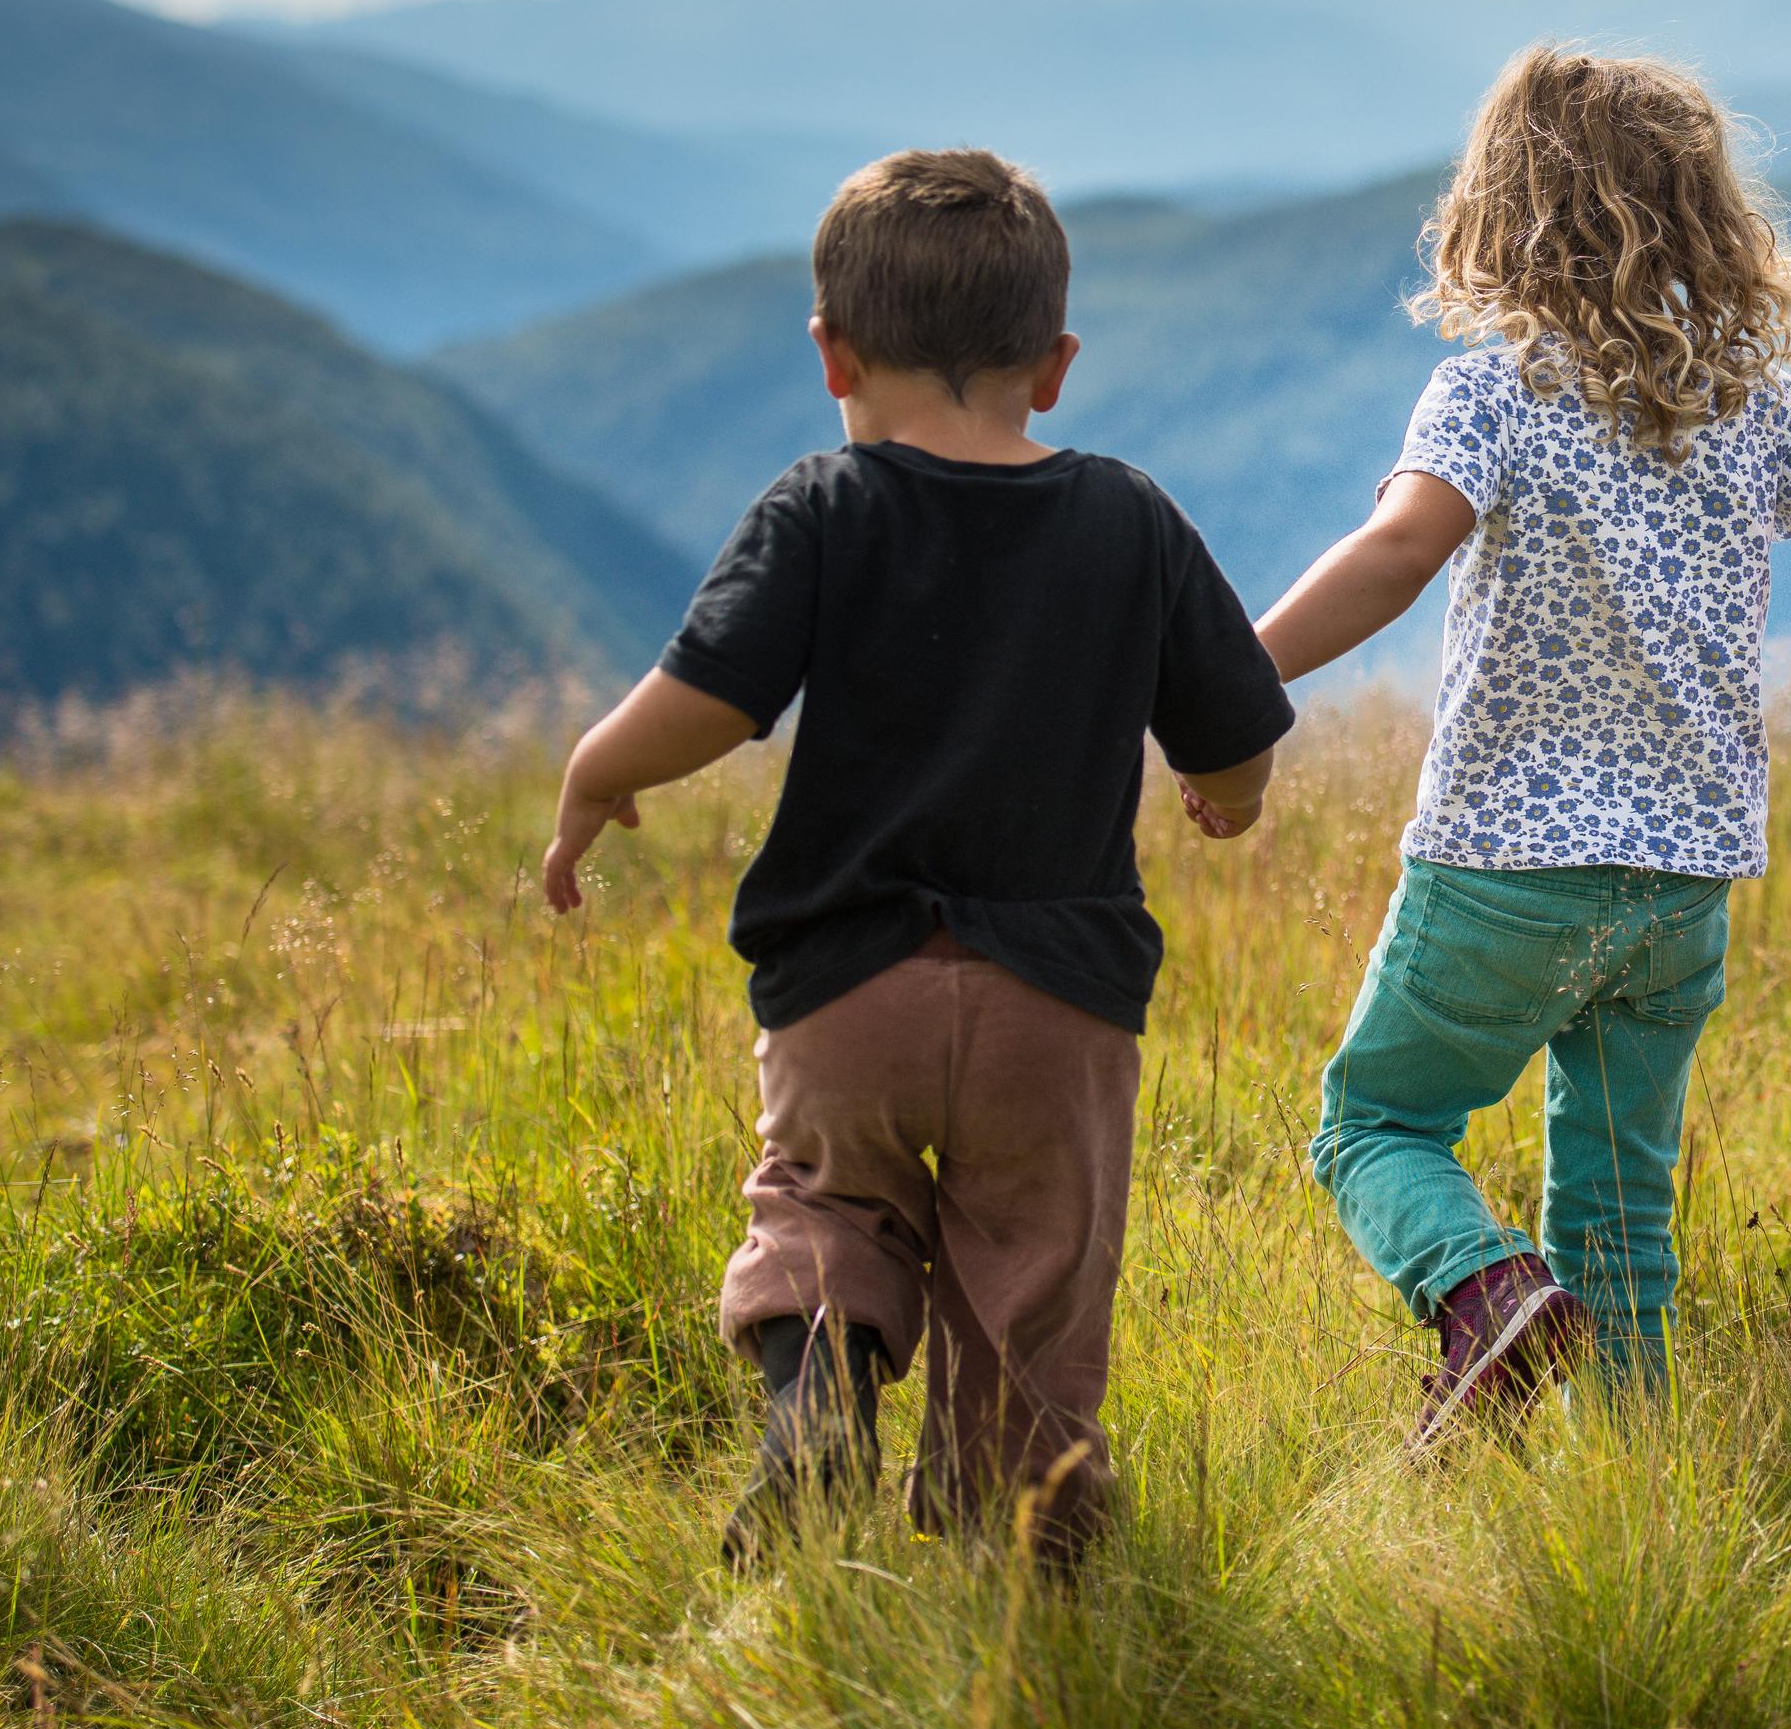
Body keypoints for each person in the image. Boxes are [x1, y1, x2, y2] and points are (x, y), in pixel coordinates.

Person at [1253, 46, 1791, 1449]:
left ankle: (1480, 1291)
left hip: (1504, 868)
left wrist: (1228, 678)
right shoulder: (1754, 404)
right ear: (1709, 218)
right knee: (1620, 1206)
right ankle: (1635, 1496)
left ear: (1503, 211)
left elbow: (1399, 551)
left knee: (1375, 1125)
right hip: (1680, 888)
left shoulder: (1490, 393)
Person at [539, 148, 1292, 1566]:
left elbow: (707, 698)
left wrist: (598, 773)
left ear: (833, 352)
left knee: (824, 1201)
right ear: (1055, 366)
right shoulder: (1129, 515)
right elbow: (1235, 727)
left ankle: (819, 1390)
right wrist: (1228, 799)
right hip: (1056, 1000)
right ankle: (1023, 1529)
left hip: (848, 978)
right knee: (1032, 1276)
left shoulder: (823, 507)